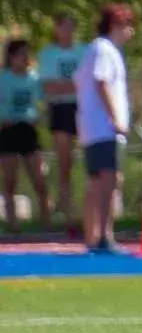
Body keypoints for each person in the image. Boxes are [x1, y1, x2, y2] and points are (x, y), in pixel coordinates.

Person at [76, 5, 134, 255]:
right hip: (103, 128)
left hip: (93, 127)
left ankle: (93, 235)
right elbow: (101, 83)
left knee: (97, 182)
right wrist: (116, 119)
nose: (130, 32)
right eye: (127, 26)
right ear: (115, 26)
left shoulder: (97, 49)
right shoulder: (104, 49)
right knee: (108, 181)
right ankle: (103, 236)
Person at [38, 12, 83, 224]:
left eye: (69, 26)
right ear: (56, 29)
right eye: (62, 26)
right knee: (64, 160)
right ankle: (65, 206)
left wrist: (66, 86)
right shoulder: (48, 54)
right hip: (60, 108)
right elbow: (48, 87)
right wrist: (73, 86)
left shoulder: (84, 51)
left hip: (82, 107)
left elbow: (88, 83)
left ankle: (86, 208)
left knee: (91, 157)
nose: (66, 30)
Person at [0, 39, 50, 231]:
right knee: (10, 180)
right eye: (21, 54)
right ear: (12, 57)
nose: (25, 58)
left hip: (28, 130)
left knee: (40, 178)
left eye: (27, 54)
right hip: (8, 131)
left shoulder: (34, 78)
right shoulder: (4, 79)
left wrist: (41, 116)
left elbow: (43, 102)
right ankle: (12, 222)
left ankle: (46, 222)